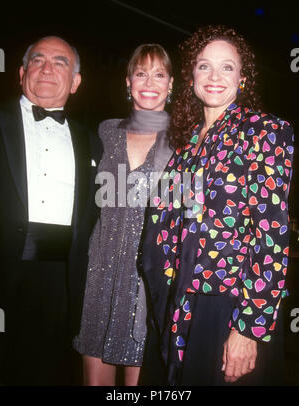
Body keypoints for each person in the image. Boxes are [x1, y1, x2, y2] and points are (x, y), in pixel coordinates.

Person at [140, 25, 294, 386]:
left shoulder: (264, 130)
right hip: (181, 304)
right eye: (204, 65)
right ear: (191, 75)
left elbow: (272, 234)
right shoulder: (187, 143)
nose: (214, 76)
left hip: (230, 306)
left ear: (242, 78)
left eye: (227, 67)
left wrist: (250, 328)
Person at [0, 36, 100, 385]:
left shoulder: (93, 141)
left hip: (64, 281)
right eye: (38, 60)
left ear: (75, 82)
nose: (47, 68)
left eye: (60, 62)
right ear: (22, 72)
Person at [73, 44, 174, 386]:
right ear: (128, 81)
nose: (149, 82)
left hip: (149, 283)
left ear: (172, 84)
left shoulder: (187, 141)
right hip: (99, 275)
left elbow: (188, 218)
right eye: (141, 73)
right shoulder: (105, 132)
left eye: (159, 74)